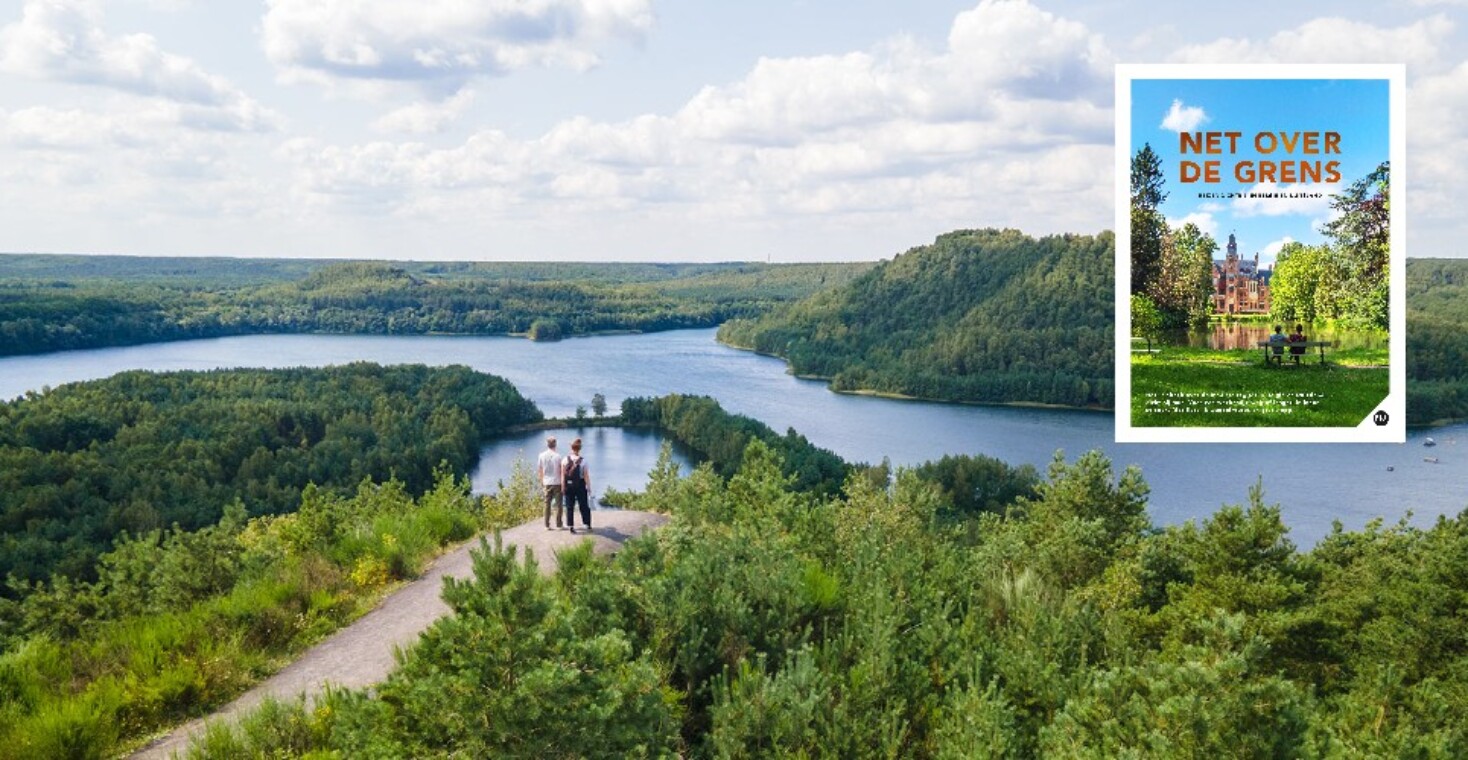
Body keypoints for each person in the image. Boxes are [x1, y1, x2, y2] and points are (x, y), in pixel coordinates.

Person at [563, 437, 592, 533]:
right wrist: (589, 487)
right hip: (580, 484)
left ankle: (571, 526)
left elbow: (562, 475)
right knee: (583, 505)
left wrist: (563, 487)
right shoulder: (583, 461)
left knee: (569, 506)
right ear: (580, 449)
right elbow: (586, 475)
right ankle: (587, 524)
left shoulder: (565, 460)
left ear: (571, 448)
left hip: (569, 485)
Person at [537, 436, 564, 530]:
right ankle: (559, 524)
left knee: (547, 504)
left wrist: (541, 481)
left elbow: (540, 470)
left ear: (547, 444)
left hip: (546, 482)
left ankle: (546, 525)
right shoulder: (558, 456)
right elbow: (561, 471)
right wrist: (563, 483)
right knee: (559, 504)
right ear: (555, 444)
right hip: (557, 482)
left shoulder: (541, 455)